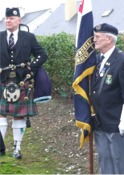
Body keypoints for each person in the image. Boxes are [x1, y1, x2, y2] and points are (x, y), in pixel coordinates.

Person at [0, 8, 48, 159]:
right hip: (2, 80)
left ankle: (17, 148)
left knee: (18, 116)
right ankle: (1, 148)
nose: (8, 21)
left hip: (21, 82)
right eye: (7, 18)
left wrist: (31, 67)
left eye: (12, 18)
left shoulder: (28, 37)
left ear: (19, 21)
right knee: (1, 115)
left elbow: (42, 54)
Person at [90, 23, 124, 174]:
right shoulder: (97, 59)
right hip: (100, 122)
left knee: (120, 163)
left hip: (116, 123)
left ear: (109, 39)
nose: (94, 40)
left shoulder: (122, 60)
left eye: (97, 37)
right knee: (105, 161)